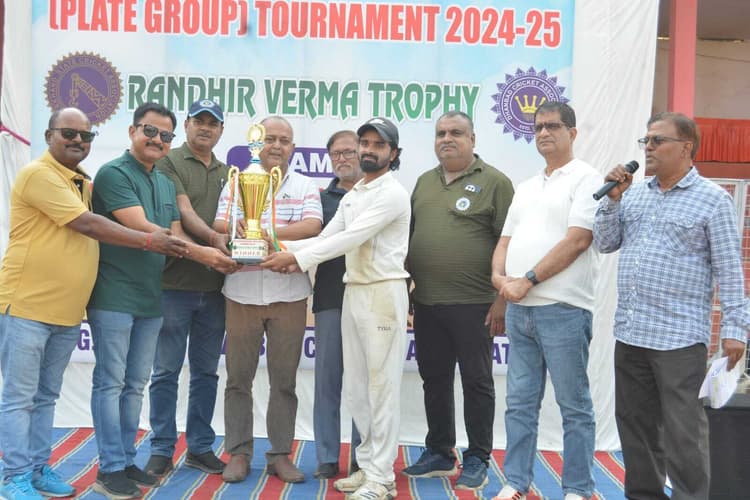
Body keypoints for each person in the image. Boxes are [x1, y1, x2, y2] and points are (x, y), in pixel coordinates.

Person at [0, 107, 187, 500]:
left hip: (68, 310)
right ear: (49, 135)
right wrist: (150, 241)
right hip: (26, 306)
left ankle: (38, 468)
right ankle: (14, 475)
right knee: (19, 398)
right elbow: (87, 224)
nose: (78, 141)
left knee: (46, 396)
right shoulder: (39, 174)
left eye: (86, 136)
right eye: (68, 133)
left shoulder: (81, 181)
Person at [593, 112, 749, 500]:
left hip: (678, 339)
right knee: (635, 427)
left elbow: (730, 270)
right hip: (632, 333)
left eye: (658, 141)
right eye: (646, 140)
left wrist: (735, 330)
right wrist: (612, 200)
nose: (648, 148)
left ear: (686, 147)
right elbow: (605, 243)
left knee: (683, 433)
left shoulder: (713, 200)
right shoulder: (634, 194)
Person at [87, 102, 239, 499]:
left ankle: (124, 460)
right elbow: (148, 231)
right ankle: (110, 467)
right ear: (133, 131)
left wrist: (219, 248)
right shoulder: (114, 173)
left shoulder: (164, 181)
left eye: (164, 135)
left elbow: (175, 232)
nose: (157, 140)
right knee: (113, 383)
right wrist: (209, 254)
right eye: (150, 131)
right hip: (117, 293)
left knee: (134, 385)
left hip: (151, 296)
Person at [262, 117, 410, 500]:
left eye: (378, 145)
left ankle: (382, 477)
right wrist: (273, 246)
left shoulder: (393, 193)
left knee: (381, 390)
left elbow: (349, 239)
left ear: (393, 153)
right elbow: (327, 236)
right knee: (359, 389)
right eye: (365, 143)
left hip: (383, 293)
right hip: (353, 291)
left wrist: (295, 259)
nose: (368, 150)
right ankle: (367, 466)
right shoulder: (356, 193)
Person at [490, 102, 601, 500]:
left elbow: (578, 240)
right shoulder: (526, 186)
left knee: (574, 405)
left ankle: (577, 488)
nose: (543, 133)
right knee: (519, 404)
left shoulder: (587, 178)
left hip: (563, 309)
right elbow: (505, 240)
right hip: (520, 310)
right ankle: (516, 482)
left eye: (553, 126)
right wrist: (499, 278)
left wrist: (528, 280)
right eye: (537, 127)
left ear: (573, 133)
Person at [403, 111, 514, 491]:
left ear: (473, 139)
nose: (446, 139)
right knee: (433, 379)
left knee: (477, 382)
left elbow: (509, 245)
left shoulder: (495, 182)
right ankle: (439, 452)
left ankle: (478, 456)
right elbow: (410, 240)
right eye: (440, 133)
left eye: (455, 133)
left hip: (476, 304)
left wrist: (502, 299)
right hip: (427, 302)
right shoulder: (424, 182)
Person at [213, 116, 323, 485]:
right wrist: (239, 229)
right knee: (237, 379)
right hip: (241, 293)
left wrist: (264, 232)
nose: (277, 145)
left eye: (284, 140)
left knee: (284, 380)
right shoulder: (237, 181)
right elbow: (220, 224)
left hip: (288, 295)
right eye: (270, 139)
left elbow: (313, 226)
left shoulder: (306, 185)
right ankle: (238, 452)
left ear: (293, 147)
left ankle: (279, 454)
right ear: (257, 144)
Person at [144, 100, 231, 479]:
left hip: (214, 289)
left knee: (206, 373)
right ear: (188, 125)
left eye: (213, 123)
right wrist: (214, 243)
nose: (206, 128)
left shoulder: (230, 173)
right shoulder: (170, 161)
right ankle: (162, 448)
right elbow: (184, 213)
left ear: (221, 130)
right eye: (200, 121)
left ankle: (199, 447)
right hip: (173, 285)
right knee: (165, 371)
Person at [312, 130, 363, 479]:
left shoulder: (379, 194)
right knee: (327, 383)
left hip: (369, 301)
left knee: (364, 384)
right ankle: (327, 457)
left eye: (349, 152)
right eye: (336, 154)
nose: (342, 158)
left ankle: (362, 457)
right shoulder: (320, 200)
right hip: (330, 299)